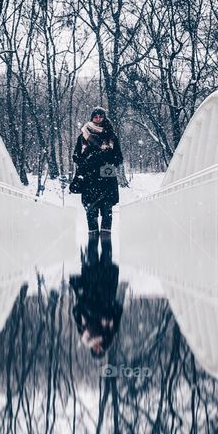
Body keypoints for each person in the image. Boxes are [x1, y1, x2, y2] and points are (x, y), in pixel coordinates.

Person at [70, 106, 124, 234]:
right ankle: (92, 244)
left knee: (107, 212)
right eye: (96, 116)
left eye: (101, 116)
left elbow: (119, 157)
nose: (98, 119)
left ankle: (106, 245)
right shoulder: (83, 136)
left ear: (104, 118)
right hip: (89, 177)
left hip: (106, 176)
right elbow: (76, 156)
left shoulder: (111, 136)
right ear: (92, 118)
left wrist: (107, 158)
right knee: (91, 212)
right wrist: (89, 159)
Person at [69, 234, 123, 357]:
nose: (97, 348)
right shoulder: (111, 331)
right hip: (106, 287)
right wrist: (108, 311)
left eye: (95, 351)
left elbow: (75, 311)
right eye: (100, 351)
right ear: (104, 348)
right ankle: (106, 224)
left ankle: (92, 219)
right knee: (106, 253)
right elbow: (119, 308)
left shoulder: (84, 334)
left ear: (91, 349)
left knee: (92, 254)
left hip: (90, 287)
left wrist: (84, 304)